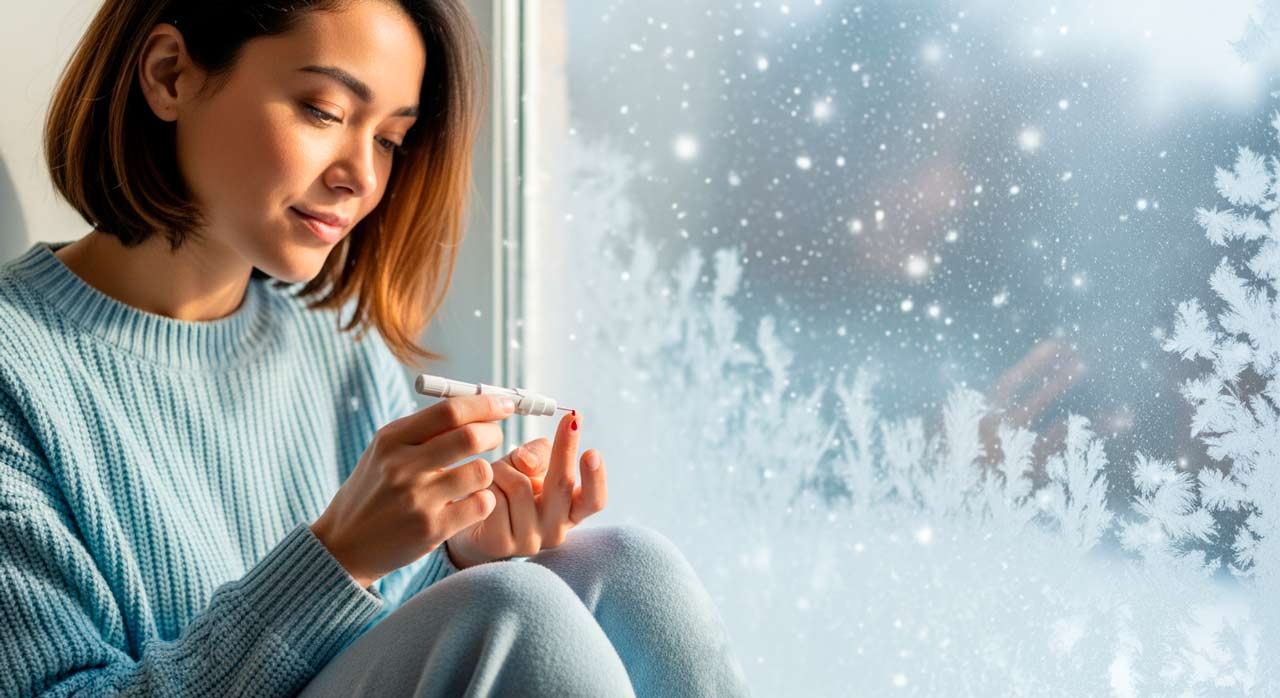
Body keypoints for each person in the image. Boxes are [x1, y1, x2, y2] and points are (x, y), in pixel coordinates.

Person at [0, 1, 750, 696]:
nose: (360, 176)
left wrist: (459, 556)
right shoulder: (18, 370)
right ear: (169, 75)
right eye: (323, 110)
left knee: (629, 568)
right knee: (512, 613)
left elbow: (367, 649)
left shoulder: (341, 355)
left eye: (389, 138)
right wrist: (338, 558)